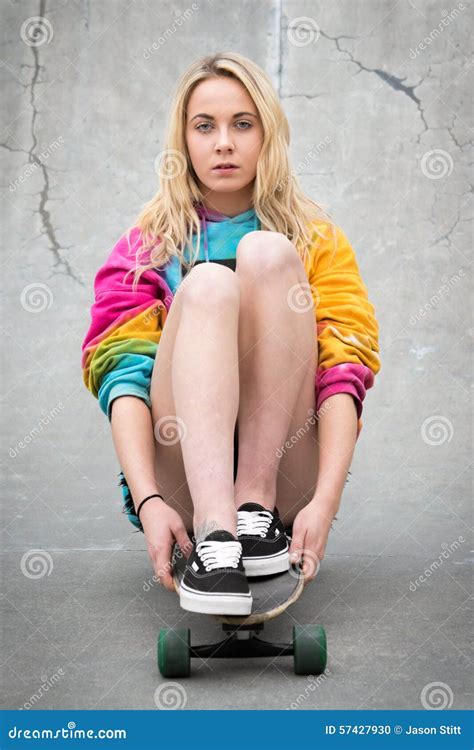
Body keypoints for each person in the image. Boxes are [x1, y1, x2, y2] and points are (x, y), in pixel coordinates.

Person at [81, 51, 381, 616]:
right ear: (184, 142)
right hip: (184, 482)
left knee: (267, 253)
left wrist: (326, 499)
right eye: (205, 126)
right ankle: (217, 534)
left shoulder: (317, 241)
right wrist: (148, 502)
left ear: (268, 135)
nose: (224, 142)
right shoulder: (147, 249)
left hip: (286, 477)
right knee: (211, 286)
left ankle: (254, 507)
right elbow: (123, 380)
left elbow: (344, 372)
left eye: (242, 124)